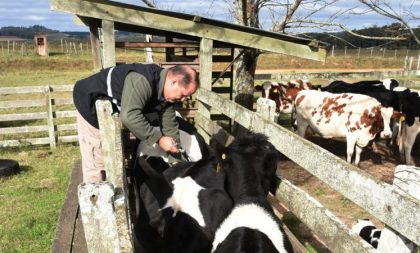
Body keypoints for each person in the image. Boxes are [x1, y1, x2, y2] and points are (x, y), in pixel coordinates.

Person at [73, 63, 199, 182]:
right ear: (173, 82)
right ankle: (94, 200)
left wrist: (176, 161)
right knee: (98, 161)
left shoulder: (165, 95)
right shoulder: (142, 81)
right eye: (183, 94)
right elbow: (129, 116)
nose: (182, 99)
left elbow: (170, 126)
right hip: (90, 104)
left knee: (112, 155)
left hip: (110, 110)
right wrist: (159, 139)